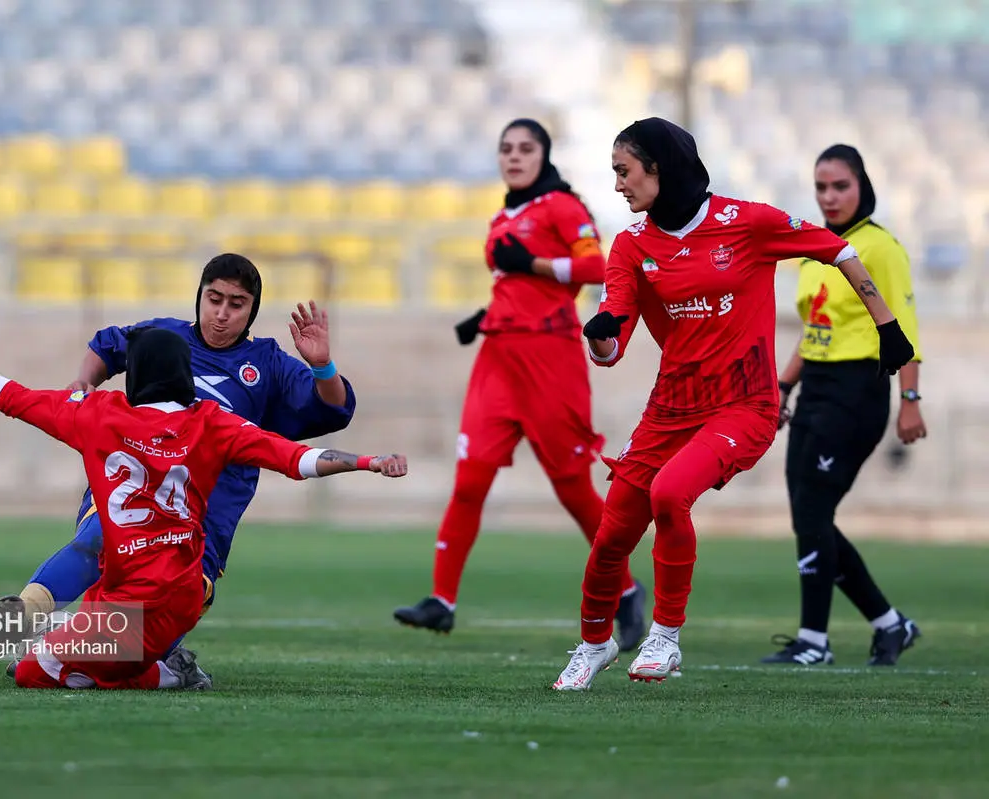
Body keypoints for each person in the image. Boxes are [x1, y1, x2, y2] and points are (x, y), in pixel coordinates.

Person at [551, 118, 916, 691]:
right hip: (669, 410)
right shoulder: (630, 245)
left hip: (743, 406)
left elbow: (837, 249)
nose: (618, 185)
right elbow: (612, 342)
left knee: (671, 493)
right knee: (611, 539)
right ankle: (594, 644)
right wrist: (599, 331)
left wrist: (887, 326)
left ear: (659, 170)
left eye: (624, 172)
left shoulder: (746, 222)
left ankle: (666, 638)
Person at [0, 318, 407, 690]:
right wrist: (365, 461)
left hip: (124, 598)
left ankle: (151, 669)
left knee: (37, 671)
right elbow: (298, 459)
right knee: (94, 654)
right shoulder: (212, 421)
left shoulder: (98, 415)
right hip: (183, 597)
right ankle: (156, 663)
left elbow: (7, 395)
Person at [0, 253, 356, 686]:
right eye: (213, 298)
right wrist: (84, 383)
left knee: (178, 602)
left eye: (235, 304)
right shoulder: (163, 336)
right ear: (199, 296)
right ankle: (27, 612)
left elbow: (335, 409)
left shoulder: (269, 364)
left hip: (209, 505)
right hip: (135, 480)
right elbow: (106, 345)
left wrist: (322, 366)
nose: (221, 314)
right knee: (101, 539)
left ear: (252, 310)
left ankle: (149, 666)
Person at [393, 118, 647, 650]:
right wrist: (485, 314)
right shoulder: (504, 213)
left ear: (544, 154)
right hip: (498, 360)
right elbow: (518, 281)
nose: (513, 156)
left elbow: (595, 270)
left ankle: (625, 589)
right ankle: (442, 600)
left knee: (572, 486)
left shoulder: (562, 206)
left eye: (525, 148)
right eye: (505, 148)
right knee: (470, 478)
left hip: (549, 360)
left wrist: (529, 262)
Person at [763, 145, 925, 667]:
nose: (829, 197)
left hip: (859, 391)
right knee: (809, 519)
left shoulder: (880, 248)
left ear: (862, 186)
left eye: (840, 186)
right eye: (821, 188)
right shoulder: (818, 250)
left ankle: (815, 641)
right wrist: (783, 387)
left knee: (812, 513)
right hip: (816, 390)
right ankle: (888, 623)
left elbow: (904, 331)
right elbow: (815, 332)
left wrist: (910, 400)